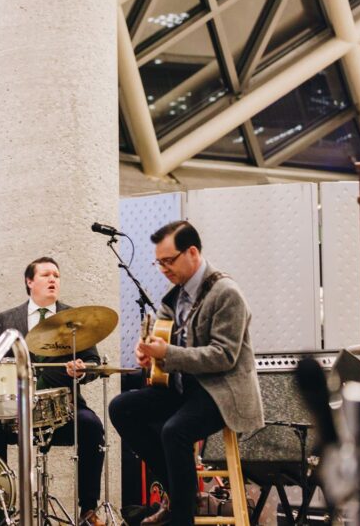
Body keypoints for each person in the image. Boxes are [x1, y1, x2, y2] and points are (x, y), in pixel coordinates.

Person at [109, 221, 264, 526]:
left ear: (192, 252)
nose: (164, 268)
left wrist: (166, 354)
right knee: (121, 408)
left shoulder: (226, 293)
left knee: (174, 431)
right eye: (159, 262)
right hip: (184, 388)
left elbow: (224, 356)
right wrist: (150, 355)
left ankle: (181, 516)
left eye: (169, 260)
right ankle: (183, 492)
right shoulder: (175, 297)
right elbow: (164, 343)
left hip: (222, 392)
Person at [0, 256, 106, 525]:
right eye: (46, 275)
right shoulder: (9, 318)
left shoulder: (75, 318)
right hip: (17, 410)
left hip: (65, 408)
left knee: (93, 426)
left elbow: (94, 363)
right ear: (29, 281)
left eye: (56, 276)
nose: (53, 280)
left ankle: (88, 508)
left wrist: (82, 370)